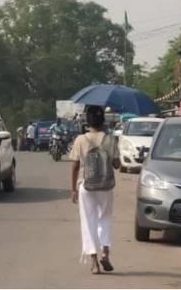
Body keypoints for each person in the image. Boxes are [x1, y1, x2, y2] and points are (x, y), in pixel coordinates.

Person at [69, 105, 121, 274]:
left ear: (87, 121)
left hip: (87, 186)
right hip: (106, 187)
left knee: (88, 222)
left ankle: (94, 262)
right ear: (103, 120)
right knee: (104, 219)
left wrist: (73, 189)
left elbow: (75, 166)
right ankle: (105, 253)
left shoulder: (80, 140)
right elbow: (116, 164)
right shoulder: (110, 139)